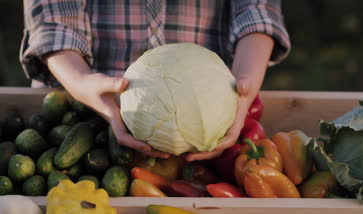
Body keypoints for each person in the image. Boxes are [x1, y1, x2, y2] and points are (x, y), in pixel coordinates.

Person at [20, 0, 290, 161]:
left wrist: (246, 80)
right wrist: (80, 79)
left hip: (213, 109)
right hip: (80, 104)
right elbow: (53, 17)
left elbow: (258, 8)